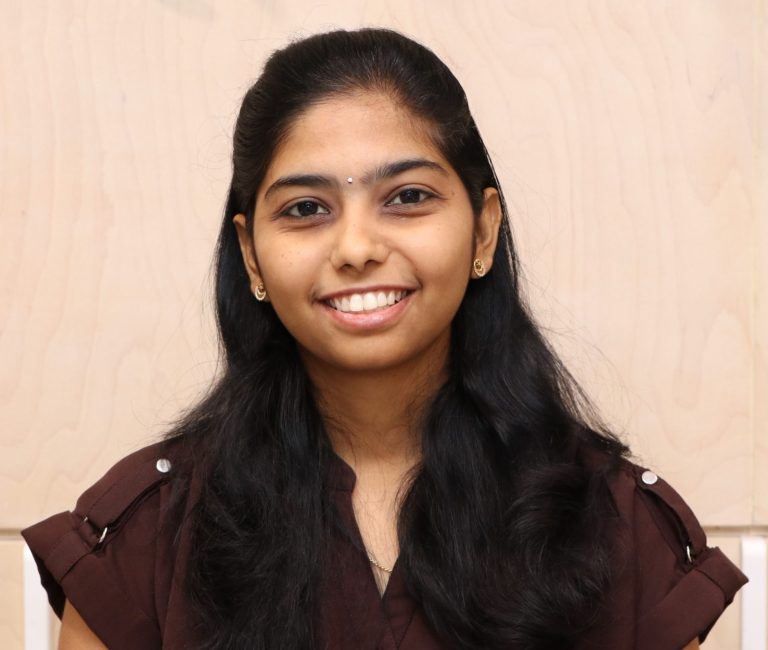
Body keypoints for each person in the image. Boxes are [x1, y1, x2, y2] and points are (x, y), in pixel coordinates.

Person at [23, 28, 746, 650]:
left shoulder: (618, 526)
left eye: (407, 198)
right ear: (251, 258)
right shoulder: (147, 536)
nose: (357, 246)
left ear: (484, 230)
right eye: (307, 208)